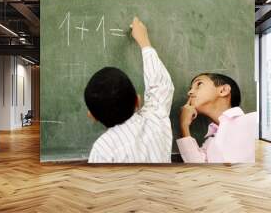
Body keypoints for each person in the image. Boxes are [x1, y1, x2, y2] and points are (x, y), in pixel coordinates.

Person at [84, 17, 174, 163]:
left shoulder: (102, 150)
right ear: (137, 100)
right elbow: (161, 85)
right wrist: (144, 42)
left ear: (92, 116)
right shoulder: (155, 120)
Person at [177, 73, 257, 163]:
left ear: (223, 90)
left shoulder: (254, 120)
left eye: (199, 84)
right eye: (190, 88)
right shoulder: (209, 144)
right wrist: (184, 125)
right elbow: (197, 168)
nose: (190, 92)